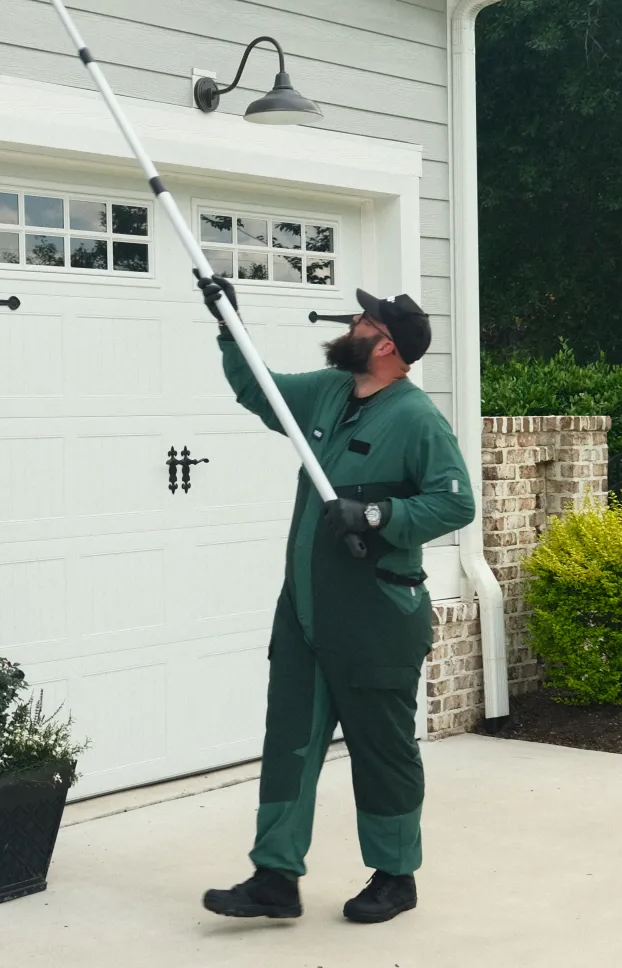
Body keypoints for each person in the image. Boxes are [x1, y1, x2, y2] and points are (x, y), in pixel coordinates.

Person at [196, 276, 475, 925]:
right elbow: (258, 390)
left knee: (381, 748)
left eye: (365, 320)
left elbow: (454, 501)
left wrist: (374, 513)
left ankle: (395, 875)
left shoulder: (416, 419)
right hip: (305, 612)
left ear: (384, 347)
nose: (353, 320)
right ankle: (275, 877)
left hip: (377, 618)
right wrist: (227, 324)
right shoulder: (327, 392)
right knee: (290, 738)